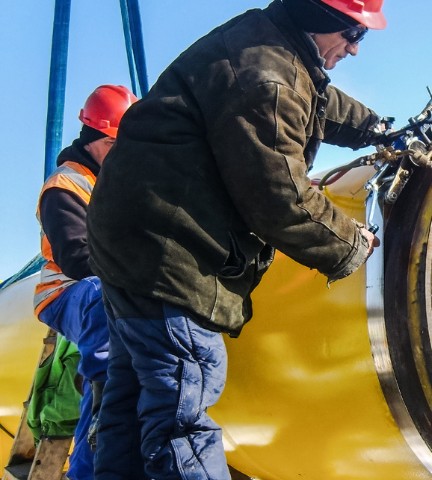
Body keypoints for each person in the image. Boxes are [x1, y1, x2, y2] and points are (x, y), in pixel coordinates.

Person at [86, 0, 386, 479]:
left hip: (131, 250)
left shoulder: (267, 43)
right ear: (322, 20)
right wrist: (354, 243)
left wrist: (378, 128)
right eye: (354, 34)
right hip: (171, 259)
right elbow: (281, 200)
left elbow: (317, 101)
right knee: (180, 420)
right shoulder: (268, 78)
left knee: (130, 406)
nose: (353, 49)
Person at [33, 84, 137, 480]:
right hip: (66, 292)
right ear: (98, 138)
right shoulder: (66, 185)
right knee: (101, 298)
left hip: (115, 285)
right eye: (118, 145)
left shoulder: (121, 182)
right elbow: (77, 259)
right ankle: (104, 420)